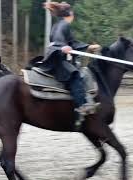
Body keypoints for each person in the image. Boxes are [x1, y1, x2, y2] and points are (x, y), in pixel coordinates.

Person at [37, 2, 100, 130]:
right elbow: (60, 40)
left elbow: (73, 43)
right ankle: (83, 105)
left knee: (75, 69)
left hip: (57, 56)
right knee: (74, 75)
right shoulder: (63, 25)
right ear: (70, 14)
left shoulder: (59, 24)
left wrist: (88, 47)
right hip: (57, 59)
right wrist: (62, 46)